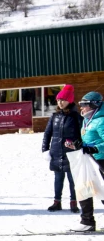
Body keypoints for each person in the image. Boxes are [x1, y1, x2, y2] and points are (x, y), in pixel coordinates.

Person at [65, 91, 104, 232]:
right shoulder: (88, 120)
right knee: (84, 188)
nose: (81, 107)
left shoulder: (102, 120)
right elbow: (87, 141)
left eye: (84, 105)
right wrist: (77, 145)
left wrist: (94, 148)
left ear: (94, 105)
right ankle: (87, 221)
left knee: (102, 189)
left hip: (101, 160)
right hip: (88, 161)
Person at [41, 84, 82, 213]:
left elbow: (83, 134)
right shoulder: (54, 117)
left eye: (63, 100)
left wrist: (76, 144)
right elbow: (47, 134)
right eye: (58, 100)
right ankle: (57, 202)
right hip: (56, 152)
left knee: (72, 180)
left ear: (69, 100)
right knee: (58, 179)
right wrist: (45, 150)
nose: (60, 102)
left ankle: (73, 202)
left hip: (72, 153)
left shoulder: (76, 116)